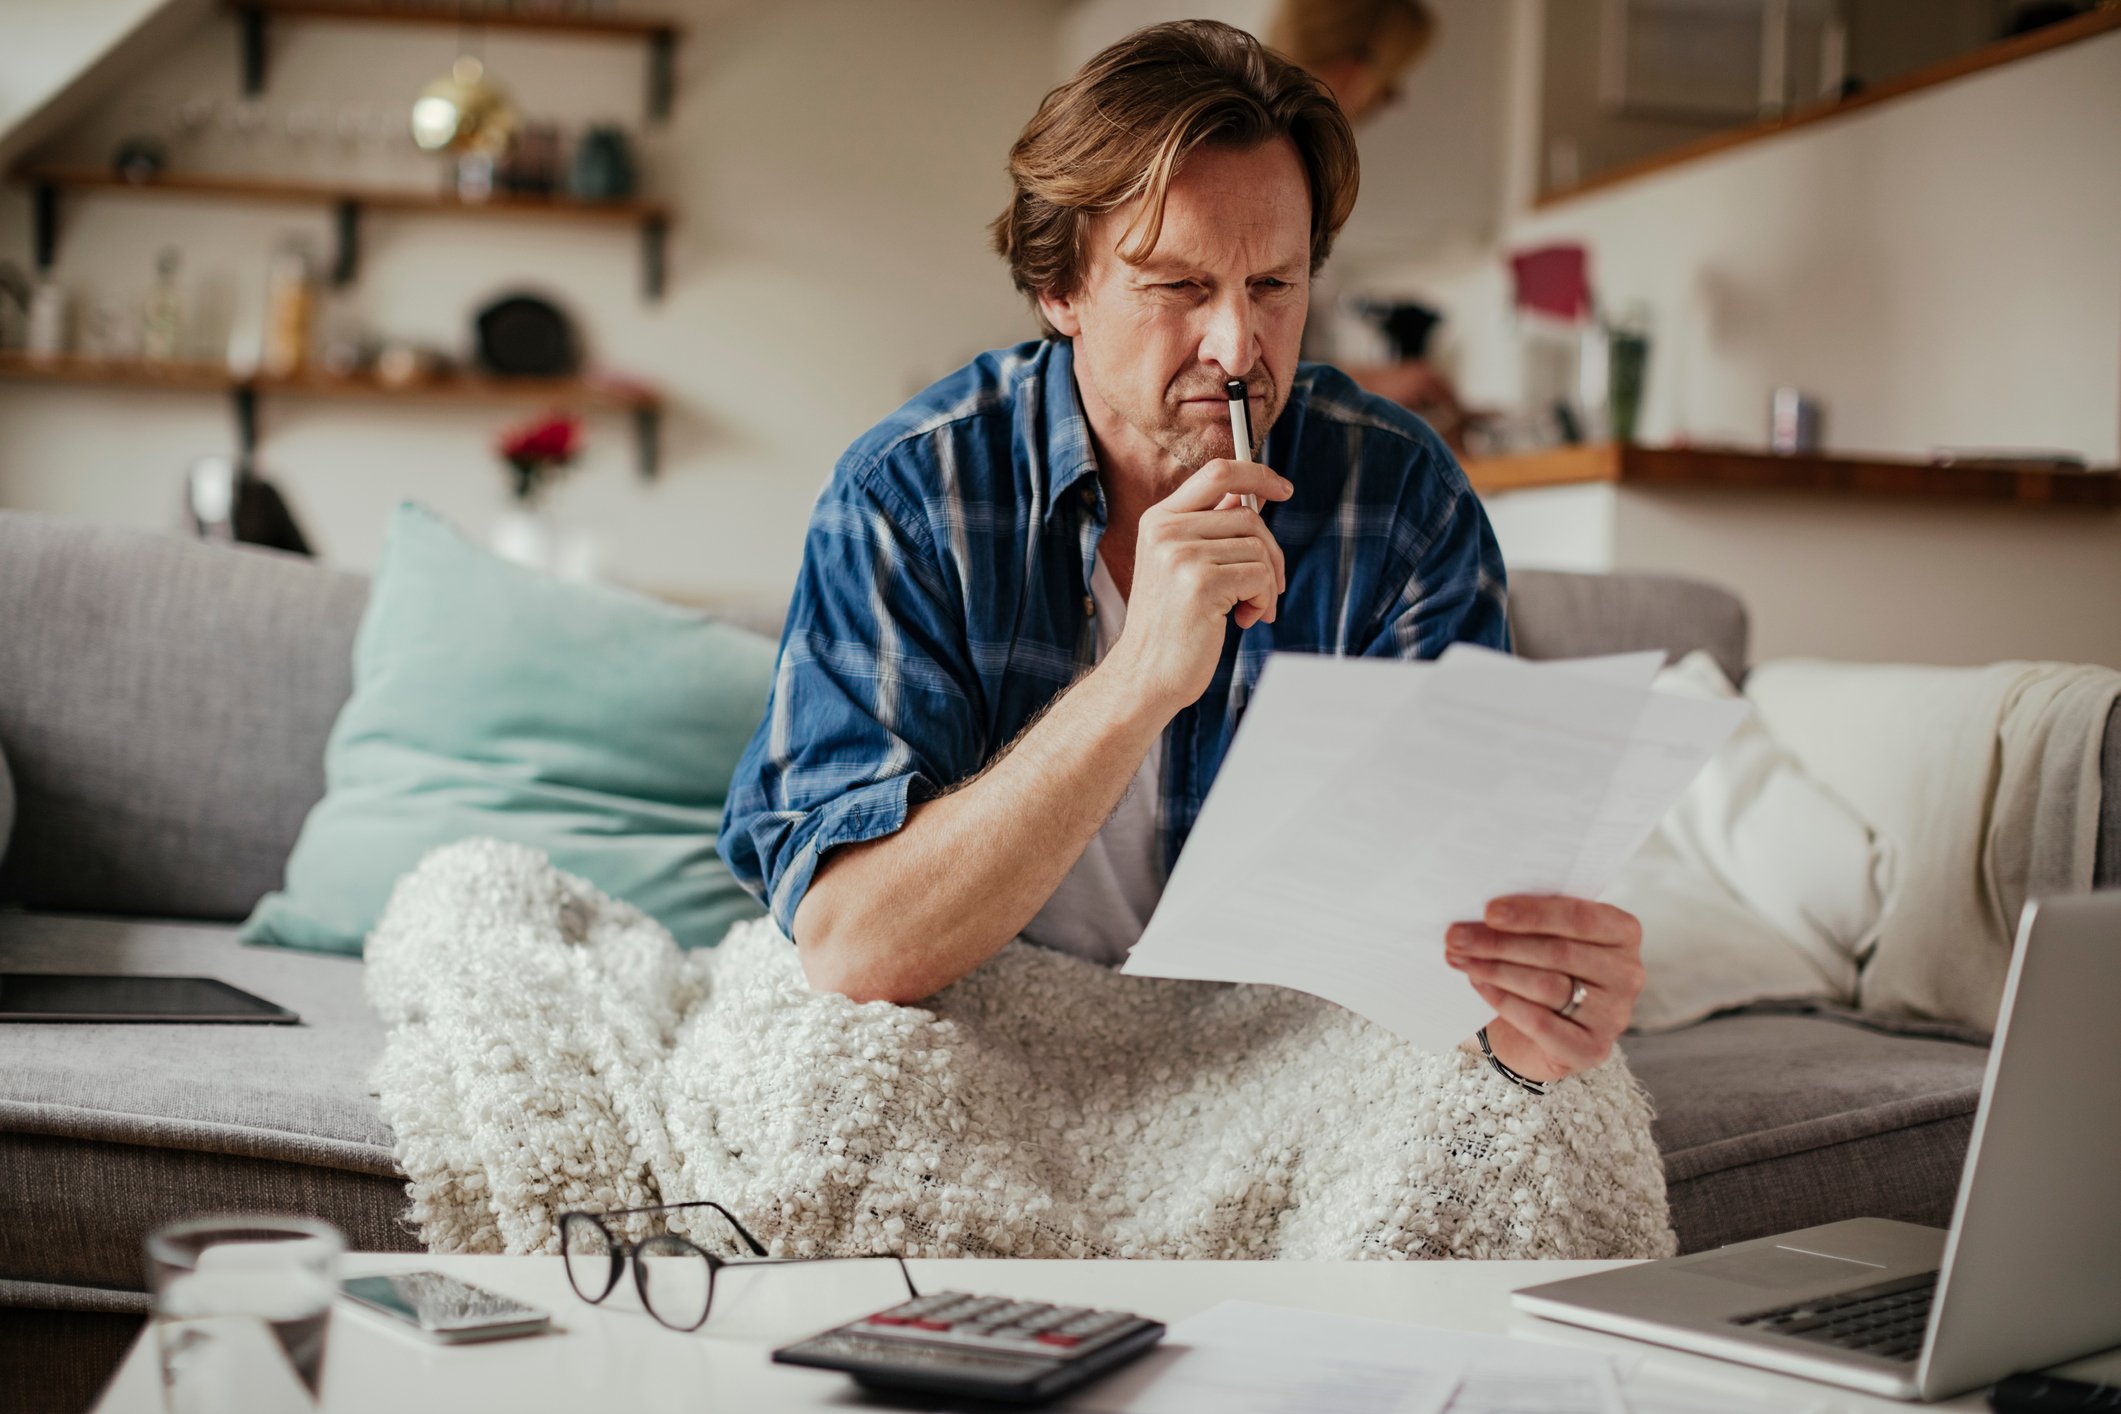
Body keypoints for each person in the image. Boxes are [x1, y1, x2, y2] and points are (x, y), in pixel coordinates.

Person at [720, 21, 1645, 1088]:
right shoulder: (911, 496)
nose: (1237, 349)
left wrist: (1534, 1015)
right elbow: (847, 943)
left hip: (1281, 1061)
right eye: (1178, 287)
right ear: (1061, 291)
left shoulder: (1398, 500)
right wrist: (1138, 681)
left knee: (1549, 1122)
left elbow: (1445, 938)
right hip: (989, 1042)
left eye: (1274, 288)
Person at [1265, 0, 1482, 446]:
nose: (1389, 101)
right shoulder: (1278, 176)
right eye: (1388, 85)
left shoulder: (1294, 168)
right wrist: (1377, 383)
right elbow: (1252, 364)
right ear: (1351, 69)